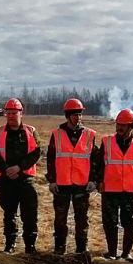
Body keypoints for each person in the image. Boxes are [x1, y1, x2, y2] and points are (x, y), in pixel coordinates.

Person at [94, 109, 133, 261]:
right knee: (110, 223)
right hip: (110, 189)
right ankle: (112, 253)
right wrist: (99, 181)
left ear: (131, 126)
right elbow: (99, 164)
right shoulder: (107, 142)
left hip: (130, 190)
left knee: (130, 223)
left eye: (123, 125)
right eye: (118, 124)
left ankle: (126, 253)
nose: (119, 127)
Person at [0, 98, 41, 254]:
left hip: (25, 178)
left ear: (21, 113)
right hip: (5, 179)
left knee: (29, 214)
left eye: (14, 113)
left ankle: (30, 246)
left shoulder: (31, 131)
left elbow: (37, 153)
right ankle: (10, 244)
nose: (11, 116)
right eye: (8, 113)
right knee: (9, 213)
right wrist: (6, 170)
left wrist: (19, 167)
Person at [46, 98, 97, 255]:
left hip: (81, 185)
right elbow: (51, 159)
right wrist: (52, 181)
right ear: (67, 116)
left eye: (80, 114)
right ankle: (59, 249)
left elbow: (95, 160)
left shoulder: (90, 135)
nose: (78, 117)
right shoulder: (57, 135)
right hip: (61, 185)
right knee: (60, 220)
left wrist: (93, 180)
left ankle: (82, 249)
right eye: (75, 114)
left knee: (82, 220)